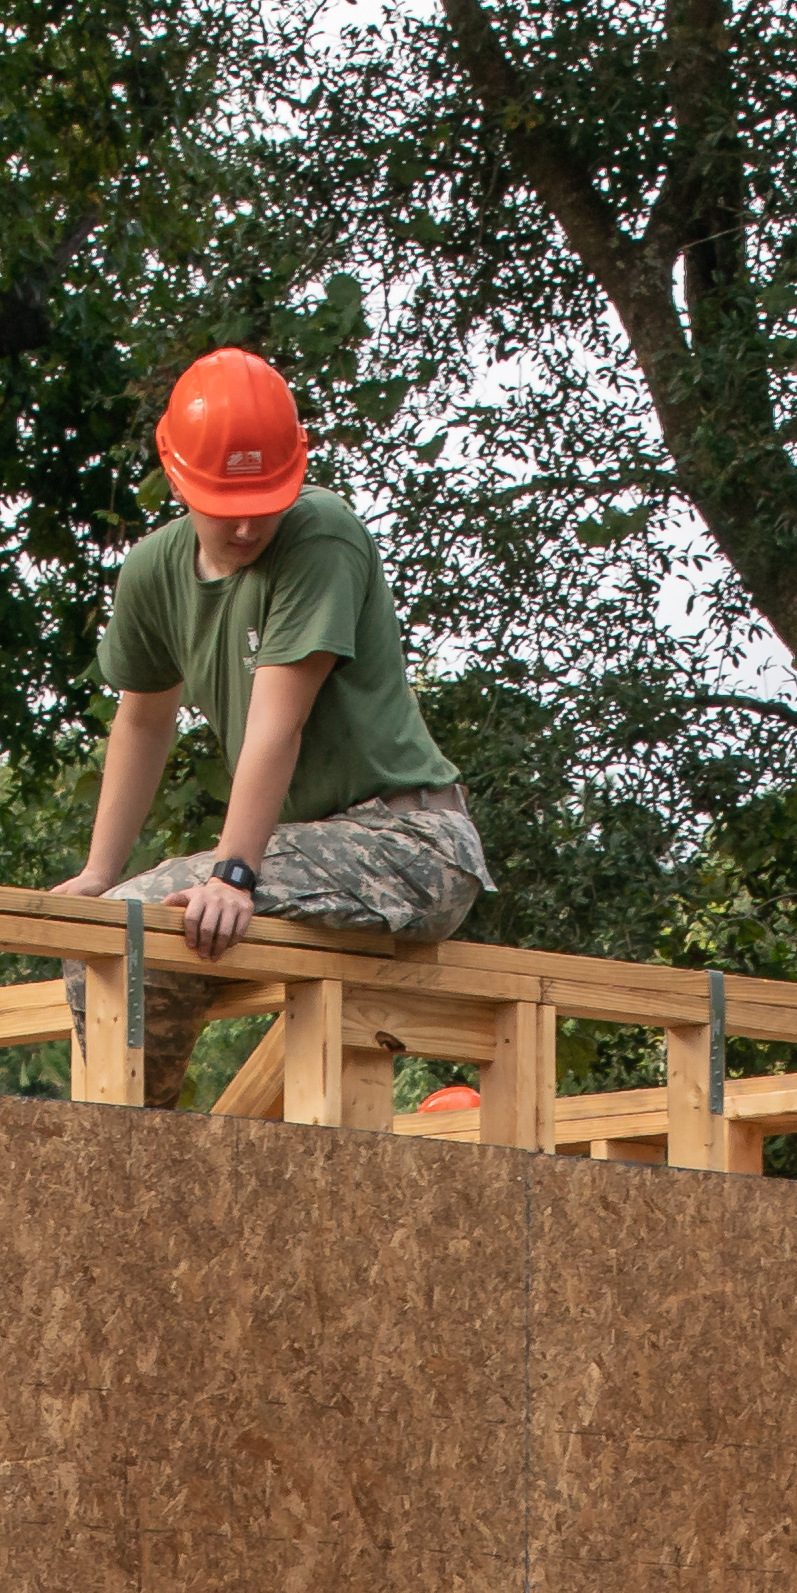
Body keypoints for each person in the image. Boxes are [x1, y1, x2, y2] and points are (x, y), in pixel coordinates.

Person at [53, 348, 485, 1098]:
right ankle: (140, 1164)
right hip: (303, 850)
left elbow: (274, 725)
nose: (249, 523)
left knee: (141, 918)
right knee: (106, 930)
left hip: (412, 844)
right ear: (177, 473)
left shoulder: (320, 535)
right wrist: (96, 872)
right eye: (227, 502)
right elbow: (143, 724)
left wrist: (235, 872)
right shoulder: (154, 572)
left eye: (266, 497)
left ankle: (130, 1168)